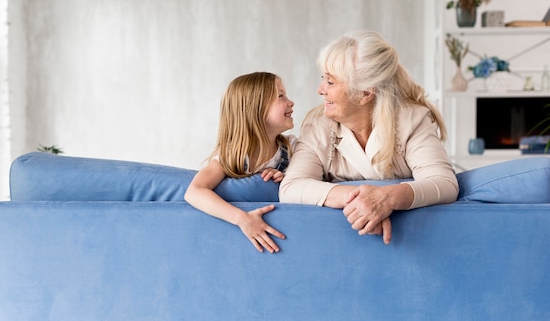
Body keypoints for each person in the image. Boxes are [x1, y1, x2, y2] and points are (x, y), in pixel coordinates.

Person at [279, 30, 459, 244]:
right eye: (323, 79)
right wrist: (364, 201)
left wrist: (388, 198)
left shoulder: (411, 120)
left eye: (331, 82)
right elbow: (291, 187)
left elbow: (445, 184)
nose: (320, 90)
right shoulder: (317, 127)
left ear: (365, 93)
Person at [185, 72, 297, 253]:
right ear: (256, 108)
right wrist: (243, 219)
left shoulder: (293, 147)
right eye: (281, 96)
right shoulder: (231, 156)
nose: (291, 102)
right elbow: (194, 192)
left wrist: (289, 176)